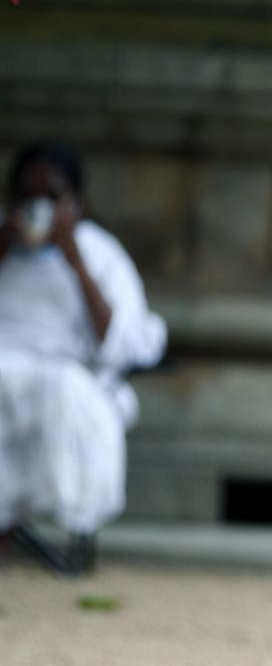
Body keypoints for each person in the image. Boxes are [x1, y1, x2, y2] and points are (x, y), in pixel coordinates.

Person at [0, 141, 166, 538]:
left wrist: (75, 261)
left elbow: (126, 340)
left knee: (59, 393)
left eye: (51, 198)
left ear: (77, 203)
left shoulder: (100, 252)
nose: (37, 208)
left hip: (69, 379)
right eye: (26, 198)